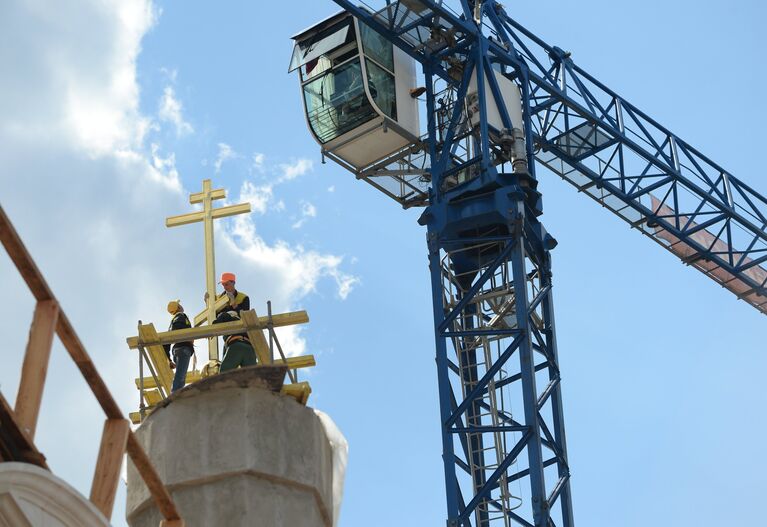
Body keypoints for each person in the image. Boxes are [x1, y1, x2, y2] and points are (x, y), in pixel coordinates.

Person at [164, 300, 194, 392]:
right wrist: (186, 337)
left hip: (179, 349)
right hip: (183, 348)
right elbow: (176, 329)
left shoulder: (174, 320)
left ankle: (176, 393)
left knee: (180, 375)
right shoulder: (180, 316)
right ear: (178, 307)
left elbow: (166, 342)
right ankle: (175, 396)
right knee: (180, 377)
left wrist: (168, 359)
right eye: (179, 304)